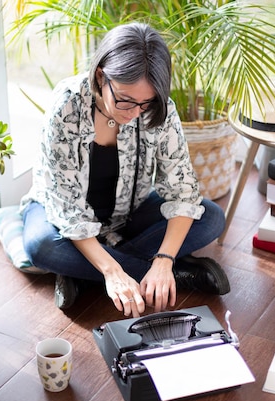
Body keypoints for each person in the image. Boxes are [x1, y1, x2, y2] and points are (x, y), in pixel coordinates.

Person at [20, 22, 229, 318]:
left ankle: (82, 277)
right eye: (125, 100)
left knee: (210, 217)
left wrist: (164, 260)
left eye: (145, 103)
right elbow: (66, 210)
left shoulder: (159, 108)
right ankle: (183, 276)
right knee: (41, 246)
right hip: (61, 213)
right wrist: (112, 271)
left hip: (127, 213)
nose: (133, 113)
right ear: (100, 75)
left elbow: (183, 191)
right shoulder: (66, 109)